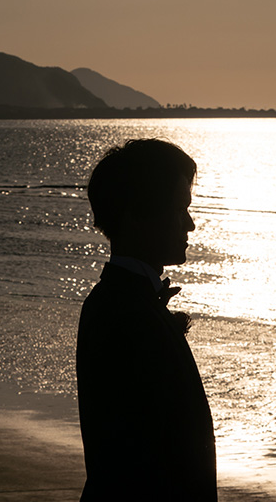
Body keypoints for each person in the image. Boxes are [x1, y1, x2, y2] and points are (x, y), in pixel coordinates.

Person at [76, 139, 217, 502]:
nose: (191, 224)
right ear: (136, 214)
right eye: (180, 209)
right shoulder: (126, 312)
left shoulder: (122, 300)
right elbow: (142, 455)